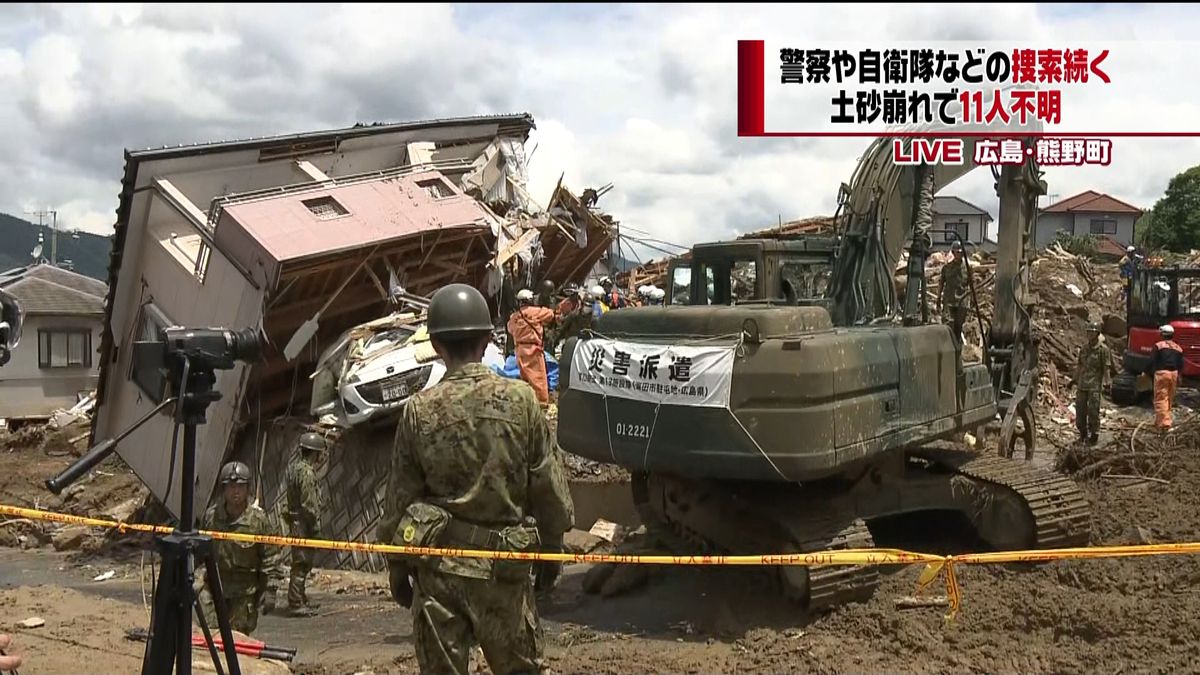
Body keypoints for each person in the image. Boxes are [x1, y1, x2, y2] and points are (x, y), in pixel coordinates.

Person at [377, 282, 575, 675]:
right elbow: (547, 485)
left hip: (439, 576)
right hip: (504, 572)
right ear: (487, 340)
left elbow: (400, 500)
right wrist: (553, 548)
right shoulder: (522, 402)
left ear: (435, 344)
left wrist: (397, 565)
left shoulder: (419, 410)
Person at [197, 461, 286, 635]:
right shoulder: (211, 517)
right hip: (215, 587)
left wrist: (270, 590)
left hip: (244, 593)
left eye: (240, 486)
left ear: (247, 488)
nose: (235, 491)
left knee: (237, 641)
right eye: (230, 486)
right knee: (209, 638)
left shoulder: (259, 521)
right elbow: (200, 551)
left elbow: (271, 557)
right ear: (223, 490)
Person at [284, 432, 327, 617]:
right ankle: (295, 602)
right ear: (315, 453)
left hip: (295, 520)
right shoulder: (307, 473)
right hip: (304, 523)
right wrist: (315, 526)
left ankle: (300, 597)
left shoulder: (293, 469)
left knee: (300, 560)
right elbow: (308, 503)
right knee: (302, 562)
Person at [507, 289, 556, 405]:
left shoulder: (514, 317)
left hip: (519, 350)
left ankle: (527, 403)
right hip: (533, 350)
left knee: (525, 378)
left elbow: (510, 328)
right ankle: (542, 405)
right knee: (538, 379)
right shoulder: (536, 312)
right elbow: (550, 314)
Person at [1074, 322, 1111, 445]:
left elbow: (1106, 369)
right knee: (1080, 411)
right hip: (1082, 385)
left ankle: (1094, 435)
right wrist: (1074, 379)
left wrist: (1107, 383)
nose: (1089, 334)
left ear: (1097, 333)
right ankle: (1083, 435)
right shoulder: (1084, 349)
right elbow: (1080, 366)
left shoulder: (1103, 350)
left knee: (1093, 411)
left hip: (1094, 386)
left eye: (1092, 332)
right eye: (1088, 332)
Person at [1146, 324, 1184, 431]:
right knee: (1169, 398)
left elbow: (1152, 361)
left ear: (1162, 334)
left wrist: (1146, 372)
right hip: (1174, 374)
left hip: (1162, 374)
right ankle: (1161, 420)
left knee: (1161, 399)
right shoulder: (1178, 348)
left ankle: (1164, 424)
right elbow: (1181, 364)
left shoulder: (1158, 346)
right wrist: (1180, 376)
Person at [937, 241, 972, 349]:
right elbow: (941, 283)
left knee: (958, 328)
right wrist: (938, 298)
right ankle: (947, 349)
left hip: (962, 302)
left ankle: (957, 351)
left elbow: (972, 285)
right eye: (957, 252)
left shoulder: (967, 268)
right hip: (949, 301)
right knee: (947, 326)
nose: (959, 254)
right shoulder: (946, 268)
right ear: (953, 252)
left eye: (961, 252)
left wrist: (971, 301)